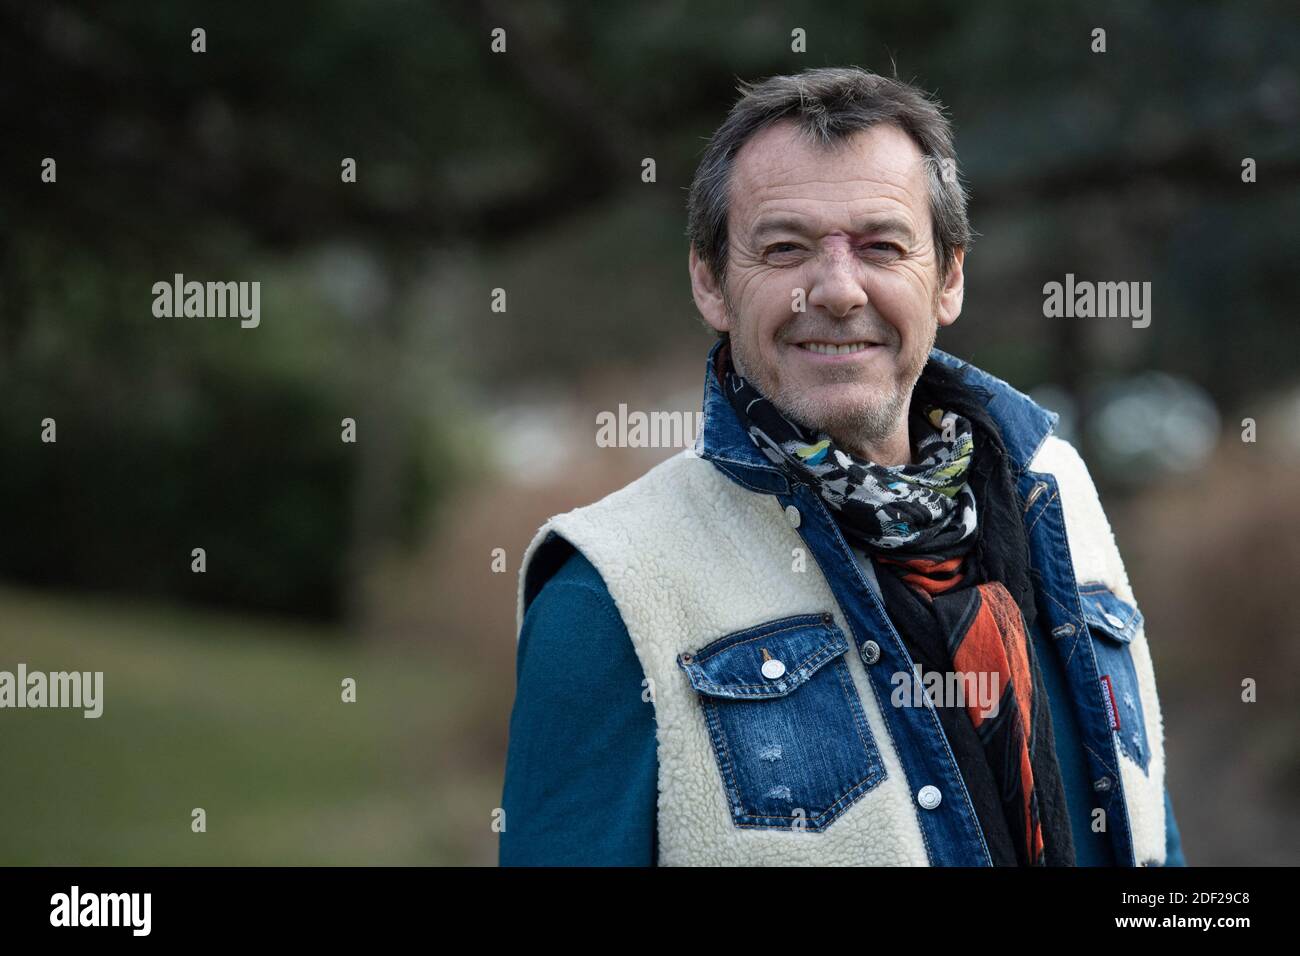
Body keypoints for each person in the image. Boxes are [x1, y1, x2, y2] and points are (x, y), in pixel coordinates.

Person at [500, 66, 1186, 867]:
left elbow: (1147, 841)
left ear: (949, 277)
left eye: (881, 245)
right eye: (785, 248)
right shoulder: (609, 590)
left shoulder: (1055, 493)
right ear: (711, 281)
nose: (834, 289)